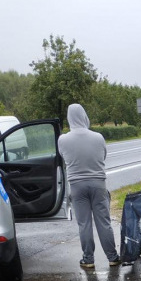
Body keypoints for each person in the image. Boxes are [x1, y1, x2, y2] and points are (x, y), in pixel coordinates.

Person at [59, 103, 121, 270]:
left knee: (84, 224)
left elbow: (63, 158)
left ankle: (88, 259)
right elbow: (103, 156)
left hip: (77, 186)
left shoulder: (63, 139)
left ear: (69, 118)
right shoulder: (98, 137)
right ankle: (113, 257)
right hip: (98, 183)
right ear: (84, 116)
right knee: (104, 222)